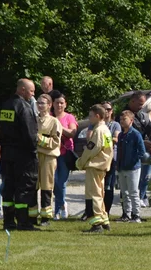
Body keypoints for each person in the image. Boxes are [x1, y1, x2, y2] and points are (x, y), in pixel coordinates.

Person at [0, 79, 40, 231]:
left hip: (7, 153)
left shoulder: (5, 106)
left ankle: (8, 221)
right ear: (22, 90)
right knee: (25, 187)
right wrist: (34, 150)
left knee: (8, 188)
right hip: (24, 155)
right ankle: (23, 221)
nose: (33, 94)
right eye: (31, 91)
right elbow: (30, 134)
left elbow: (1, 131)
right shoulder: (24, 107)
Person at [75, 104, 114, 233]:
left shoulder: (98, 131)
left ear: (97, 116)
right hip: (102, 165)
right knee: (100, 192)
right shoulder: (106, 130)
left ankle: (96, 223)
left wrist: (81, 161)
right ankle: (104, 219)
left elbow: (91, 149)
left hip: (95, 165)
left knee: (94, 193)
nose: (89, 118)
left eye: (91, 116)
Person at [35, 94, 62, 226]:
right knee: (33, 185)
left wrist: (39, 139)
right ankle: (32, 214)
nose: (40, 105)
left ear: (49, 105)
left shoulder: (54, 122)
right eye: (38, 103)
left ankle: (45, 217)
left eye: (43, 103)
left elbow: (55, 142)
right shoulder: (33, 119)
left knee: (46, 186)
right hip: (35, 156)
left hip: (48, 156)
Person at [51, 94, 78, 220]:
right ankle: (61, 205)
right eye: (57, 102)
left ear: (65, 104)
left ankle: (58, 209)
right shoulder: (49, 117)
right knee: (53, 183)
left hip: (64, 154)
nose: (59, 105)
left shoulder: (69, 117)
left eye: (62, 103)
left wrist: (59, 127)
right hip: (50, 153)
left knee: (61, 183)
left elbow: (72, 133)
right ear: (53, 104)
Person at [116, 109, 145, 223]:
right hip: (122, 167)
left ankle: (136, 214)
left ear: (131, 120)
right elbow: (119, 151)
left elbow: (141, 151)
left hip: (133, 168)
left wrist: (133, 161)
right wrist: (118, 164)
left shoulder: (135, 134)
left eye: (125, 119)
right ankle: (126, 214)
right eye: (121, 119)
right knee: (124, 192)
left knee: (133, 192)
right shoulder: (121, 135)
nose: (122, 121)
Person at [103, 103, 122, 216]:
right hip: (98, 158)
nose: (106, 111)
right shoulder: (95, 123)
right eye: (104, 109)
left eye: (108, 109)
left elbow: (116, 138)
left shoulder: (115, 125)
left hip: (111, 158)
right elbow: (90, 137)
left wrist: (102, 139)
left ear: (112, 111)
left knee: (109, 185)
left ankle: (107, 211)